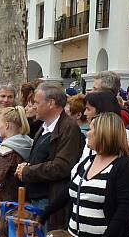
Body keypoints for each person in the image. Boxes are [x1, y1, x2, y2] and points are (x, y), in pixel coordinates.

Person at [15, 81, 84, 228]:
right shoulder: (44, 127)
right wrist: (28, 166)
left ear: (51, 103)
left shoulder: (68, 128)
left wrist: (28, 171)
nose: (33, 106)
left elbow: (63, 166)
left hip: (51, 201)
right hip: (38, 198)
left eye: (37, 102)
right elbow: (44, 157)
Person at [0, 106, 32, 203]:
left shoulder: (5, 150)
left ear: (6, 125)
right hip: (24, 198)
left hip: (7, 202)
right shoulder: (29, 143)